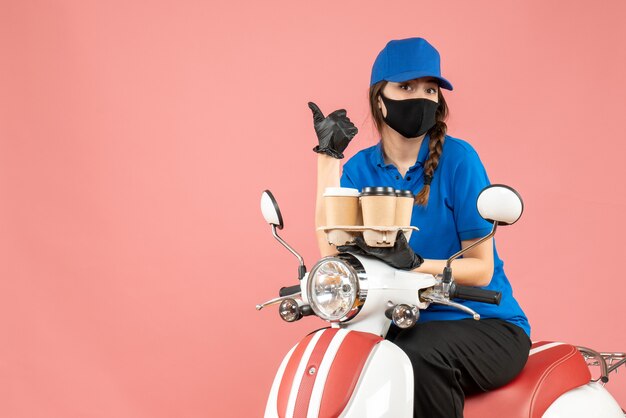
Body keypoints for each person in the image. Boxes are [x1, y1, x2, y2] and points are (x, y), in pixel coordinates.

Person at [310, 37, 531, 418]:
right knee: (340, 354)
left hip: (483, 323)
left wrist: (413, 263)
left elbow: (481, 269)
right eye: (406, 87)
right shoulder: (359, 169)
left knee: (413, 356)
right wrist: (328, 160)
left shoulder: (459, 159)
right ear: (380, 99)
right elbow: (333, 257)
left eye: (430, 89)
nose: (421, 97)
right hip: (401, 321)